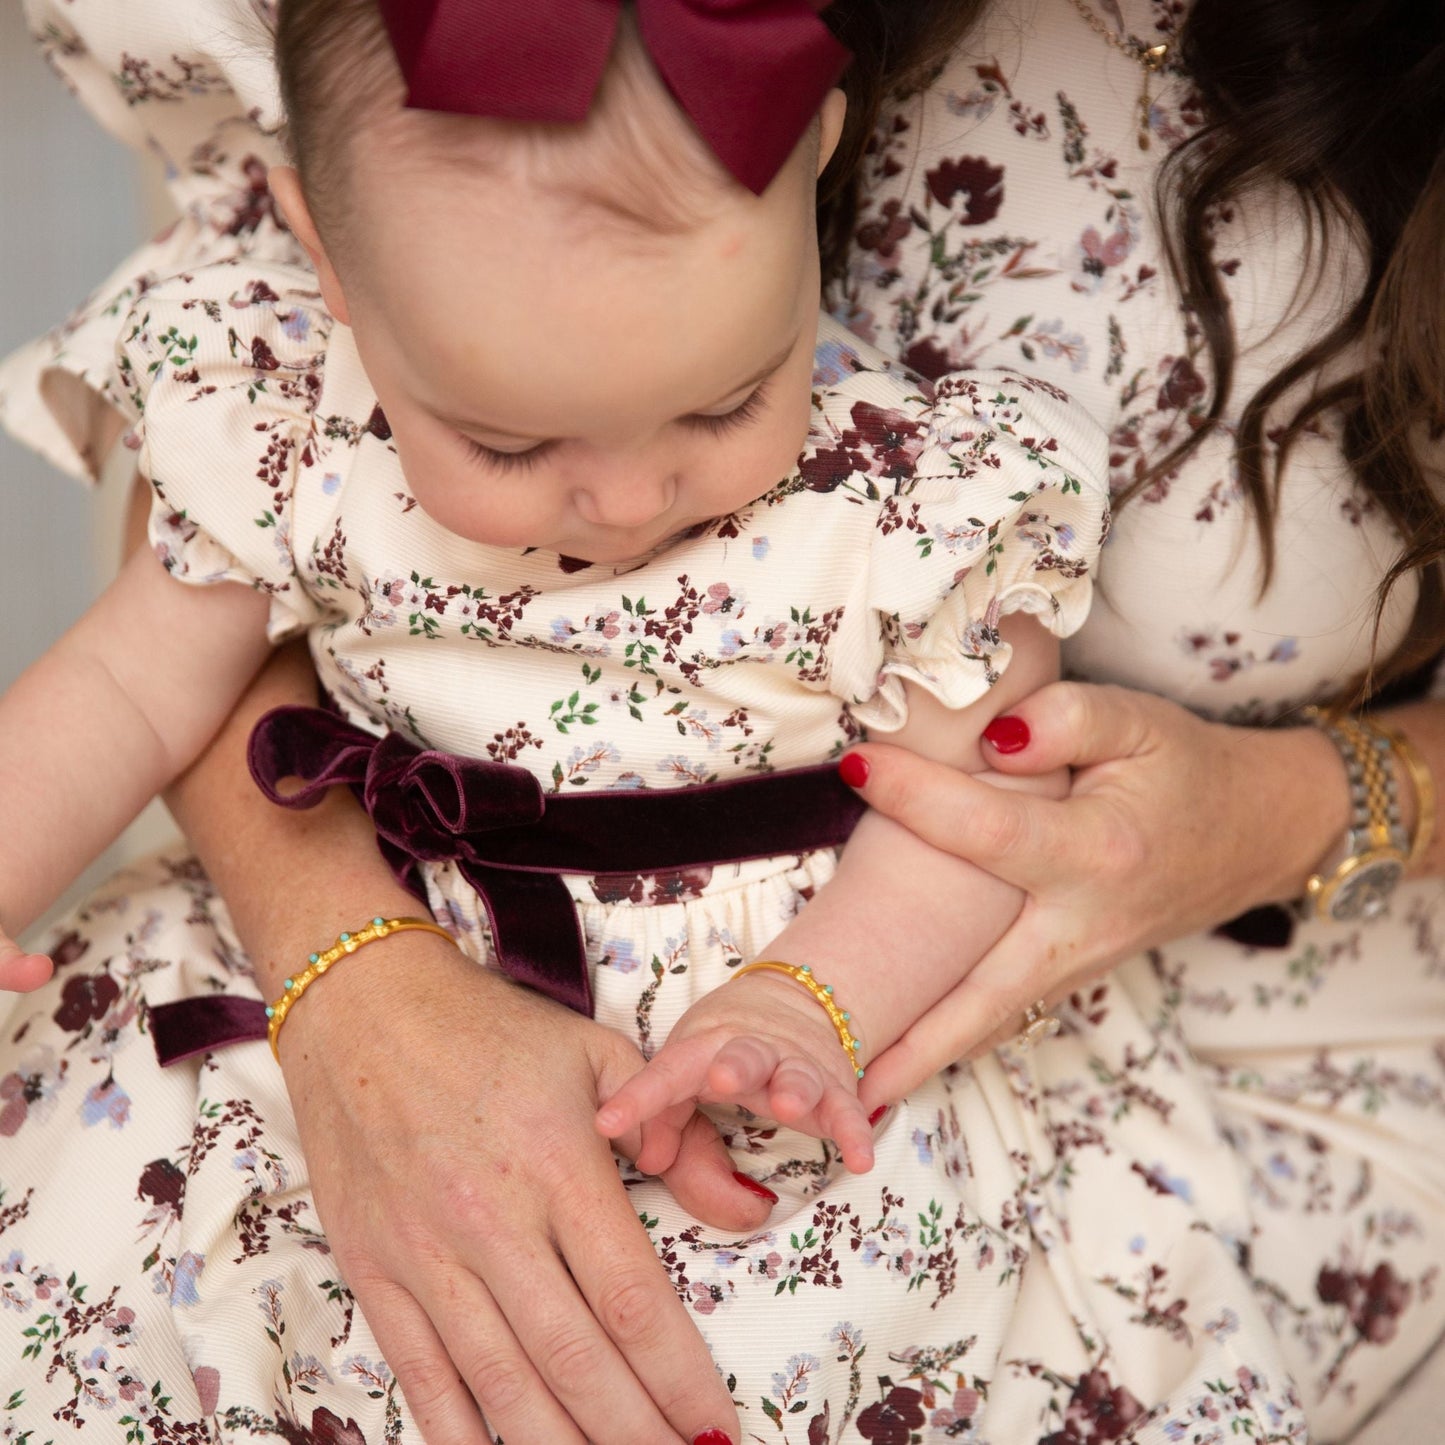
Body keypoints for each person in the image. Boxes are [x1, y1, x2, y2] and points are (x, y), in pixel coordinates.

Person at [2, 1, 1442, 1443]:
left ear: (816, 163)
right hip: (346, 988)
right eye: (508, 441)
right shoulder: (290, 417)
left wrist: (805, 1003)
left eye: (723, 402)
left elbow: (967, 819)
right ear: (327, 261)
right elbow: (126, 686)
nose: (629, 501)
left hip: (813, 1050)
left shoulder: (916, 501)